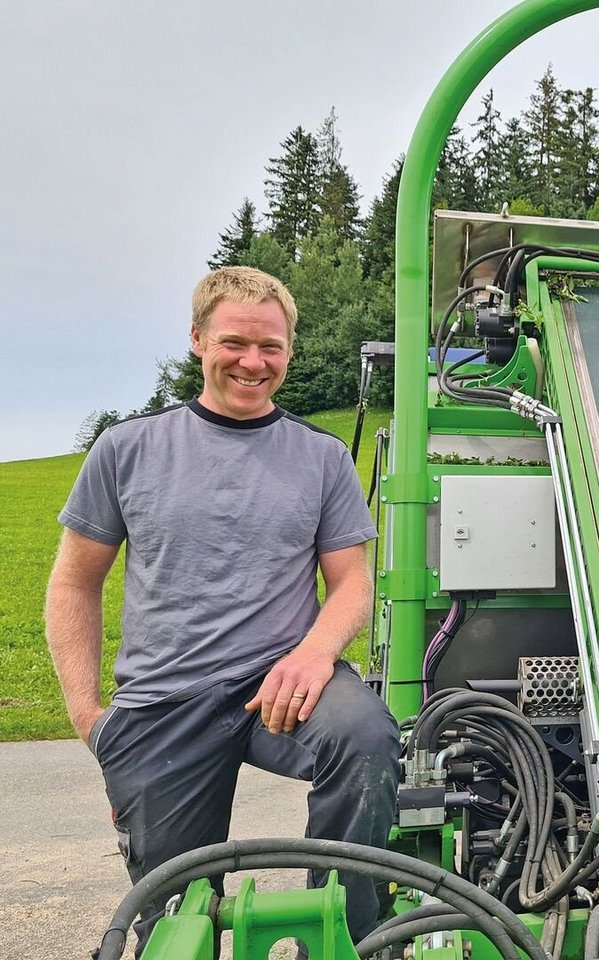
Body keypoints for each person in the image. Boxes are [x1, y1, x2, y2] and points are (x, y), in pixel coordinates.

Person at [46, 266, 401, 951]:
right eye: (235, 342)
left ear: (289, 351)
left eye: (270, 347)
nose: (252, 362)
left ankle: (350, 936)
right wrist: (87, 713)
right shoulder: (127, 449)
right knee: (175, 919)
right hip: (165, 698)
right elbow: (72, 584)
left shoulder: (322, 457)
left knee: (366, 739)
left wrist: (314, 652)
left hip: (283, 686)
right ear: (198, 340)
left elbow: (352, 582)